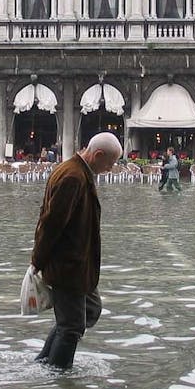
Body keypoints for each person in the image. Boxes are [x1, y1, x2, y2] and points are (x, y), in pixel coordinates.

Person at [30, 131, 122, 369]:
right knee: (71, 328)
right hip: (68, 265)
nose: (110, 169)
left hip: (80, 265)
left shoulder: (77, 171)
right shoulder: (73, 176)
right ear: (98, 154)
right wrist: (37, 261)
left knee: (90, 310)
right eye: (110, 163)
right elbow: (51, 224)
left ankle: (44, 360)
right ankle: (56, 375)